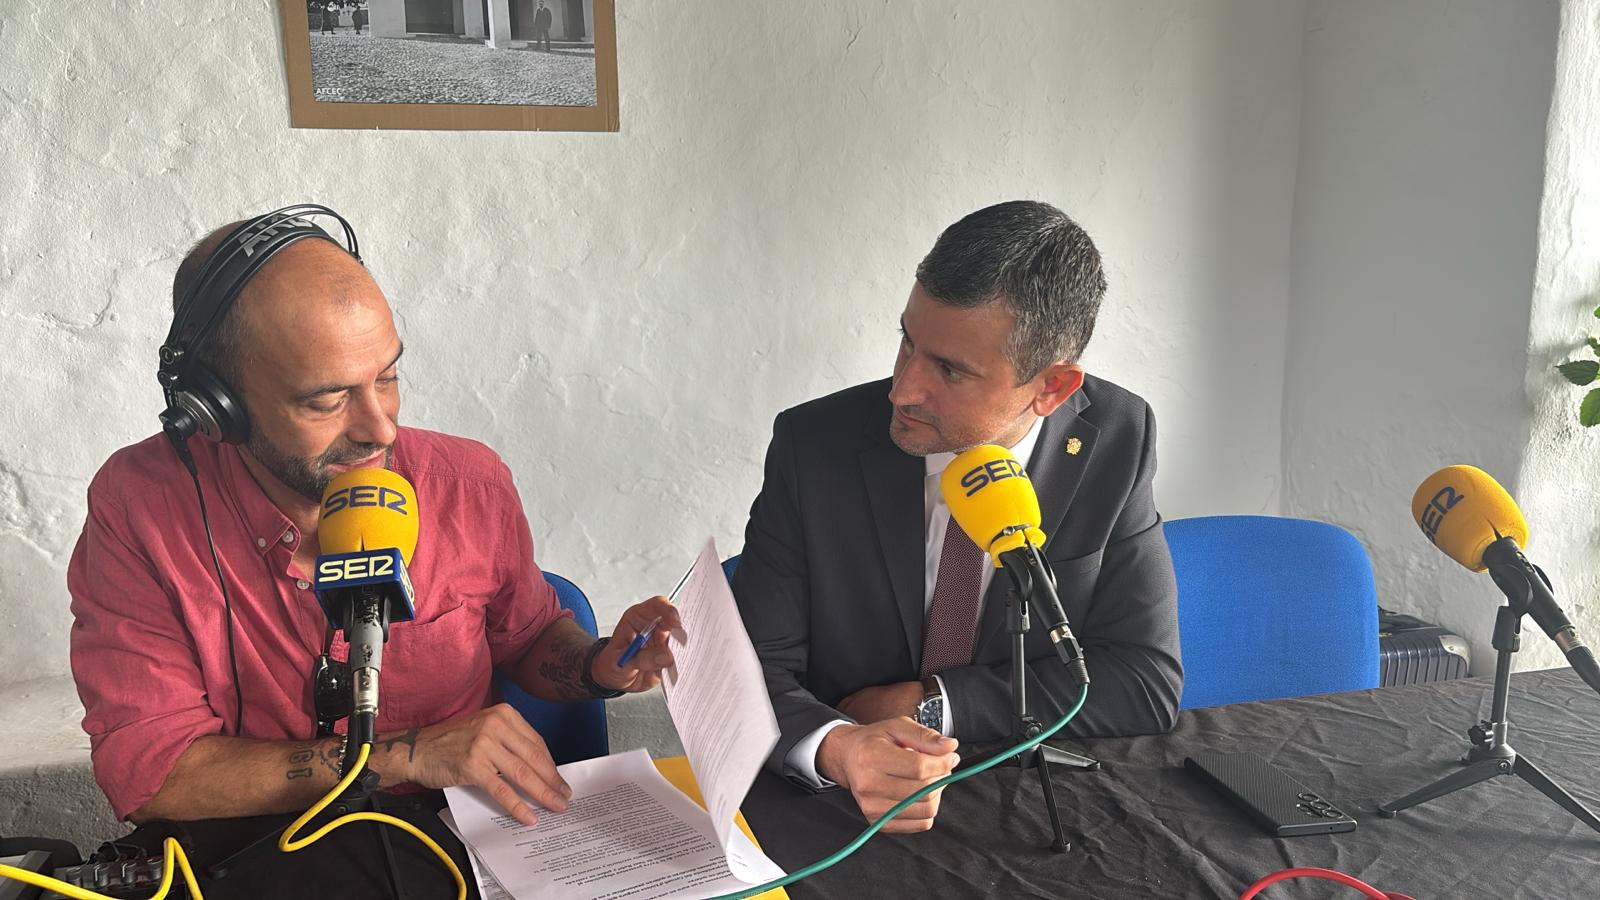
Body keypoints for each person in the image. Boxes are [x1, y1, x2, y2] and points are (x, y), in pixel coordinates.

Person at [67, 212, 680, 829]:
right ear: (218, 406)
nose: (381, 429)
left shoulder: (469, 484)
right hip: (267, 852)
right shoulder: (139, 508)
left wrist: (601, 664)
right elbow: (152, 776)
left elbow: (525, 639)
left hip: (460, 843)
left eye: (387, 378)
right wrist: (403, 757)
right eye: (327, 400)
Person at [730, 200, 1183, 833]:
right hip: (835, 809)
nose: (903, 390)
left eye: (949, 369)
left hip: (1026, 808)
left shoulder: (1117, 438)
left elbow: (1141, 679)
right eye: (906, 343)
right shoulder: (814, 445)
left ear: (1051, 387)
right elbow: (748, 673)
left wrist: (936, 705)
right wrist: (839, 748)